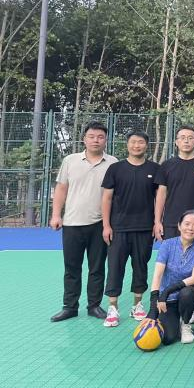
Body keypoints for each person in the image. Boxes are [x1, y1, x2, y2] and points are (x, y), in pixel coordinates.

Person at [50, 121, 118, 322]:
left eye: (100, 137)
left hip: (100, 224)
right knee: (72, 268)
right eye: (92, 136)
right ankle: (70, 307)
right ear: (84, 139)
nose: (96, 140)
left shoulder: (113, 162)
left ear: (106, 140)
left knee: (97, 268)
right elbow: (61, 188)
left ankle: (94, 305)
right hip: (72, 223)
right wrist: (56, 215)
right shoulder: (70, 161)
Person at [102, 131, 159, 327]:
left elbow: (159, 198)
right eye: (133, 142)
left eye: (140, 142)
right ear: (127, 145)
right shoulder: (115, 169)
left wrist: (156, 222)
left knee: (140, 267)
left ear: (146, 145)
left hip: (144, 228)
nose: (137, 146)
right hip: (118, 228)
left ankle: (137, 305)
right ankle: (112, 307)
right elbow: (107, 198)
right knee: (115, 267)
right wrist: (106, 225)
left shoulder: (154, 169)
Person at [146, 210, 194, 345]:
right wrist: (153, 309)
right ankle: (177, 319)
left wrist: (167, 290)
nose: (190, 228)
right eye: (187, 224)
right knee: (168, 338)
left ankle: (185, 323)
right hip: (168, 299)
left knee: (187, 293)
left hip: (189, 293)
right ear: (179, 226)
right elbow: (157, 276)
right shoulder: (167, 245)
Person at [154, 125, 194, 241]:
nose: (186, 141)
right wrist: (157, 222)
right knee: (171, 253)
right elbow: (161, 195)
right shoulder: (166, 165)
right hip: (171, 223)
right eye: (182, 138)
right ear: (176, 142)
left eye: (190, 138)